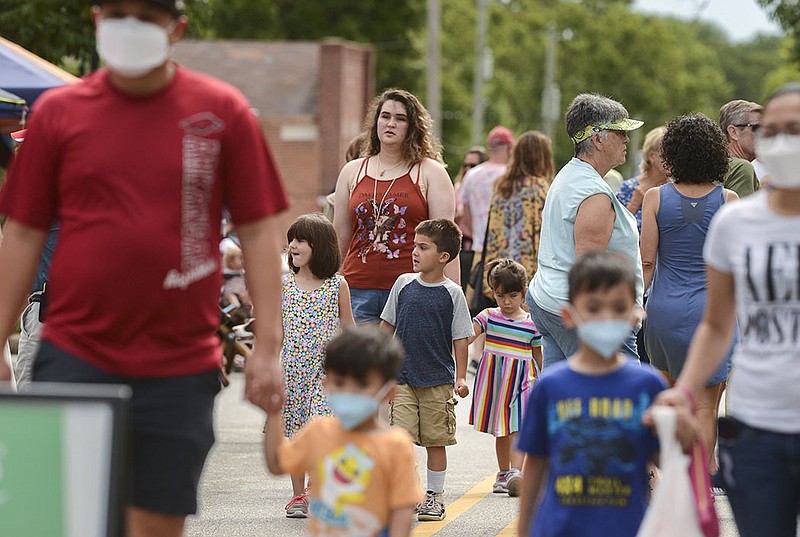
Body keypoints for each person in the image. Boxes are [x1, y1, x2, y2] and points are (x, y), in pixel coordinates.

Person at [0, 1, 288, 535]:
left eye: (146, 16)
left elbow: (258, 232)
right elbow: (21, 232)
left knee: (154, 525)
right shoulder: (59, 114)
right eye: (117, 12)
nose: (129, 25)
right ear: (96, 19)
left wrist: (269, 349)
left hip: (177, 365)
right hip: (75, 354)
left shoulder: (223, 111)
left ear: (176, 28)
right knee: (64, 521)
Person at [647, 82, 800, 537]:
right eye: (771, 130)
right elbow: (717, 322)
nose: (782, 141)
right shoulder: (735, 220)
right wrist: (684, 389)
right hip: (756, 424)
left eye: (795, 129)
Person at [517, 251, 668, 537]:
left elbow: (664, 460)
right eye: (594, 307)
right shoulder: (550, 386)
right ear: (569, 314)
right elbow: (535, 463)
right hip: (559, 528)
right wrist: (524, 530)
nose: (606, 318)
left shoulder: (648, 385)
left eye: (618, 307)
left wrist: (678, 432)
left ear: (636, 314)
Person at [640, 113, 738, 479]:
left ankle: (667, 477)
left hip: (663, 311)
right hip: (711, 314)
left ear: (673, 154)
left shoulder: (654, 198)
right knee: (706, 406)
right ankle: (699, 479)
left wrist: (637, 304)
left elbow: (646, 262)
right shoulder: (728, 199)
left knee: (666, 400)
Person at [264, 325, 422, 537]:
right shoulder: (318, 432)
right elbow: (277, 464)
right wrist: (274, 412)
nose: (349, 392)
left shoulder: (396, 445)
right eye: (339, 382)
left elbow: (402, 508)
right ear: (326, 384)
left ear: (389, 392)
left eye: (362, 384)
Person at [526, 93, 644, 369]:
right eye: (620, 132)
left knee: (563, 399)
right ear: (599, 138)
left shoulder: (572, 175)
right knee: (620, 399)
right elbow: (589, 265)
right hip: (580, 310)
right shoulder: (592, 191)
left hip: (551, 298)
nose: (626, 139)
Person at [333, 89, 456, 324]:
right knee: (361, 361)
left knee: (406, 361)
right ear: (375, 122)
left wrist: (453, 298)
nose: (391, 123)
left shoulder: (431, 172)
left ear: (413, 127)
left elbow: (447, 242)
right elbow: (339, 237)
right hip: (357, 290)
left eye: (400, 119)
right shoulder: (352, 171)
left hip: (412, 291)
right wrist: (326, 285)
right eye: (385, 116)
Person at [379, 218, 473, 522]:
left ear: (443, 256)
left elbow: (461, 337)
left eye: (423, 247)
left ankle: (434, 496)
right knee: (400, 439)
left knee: (435, 441)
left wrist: (460, 376)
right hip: (402, 378)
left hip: (438, 381)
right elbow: (386, 326)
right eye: (414, 246)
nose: (414, 252)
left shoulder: (453, 292)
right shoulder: (403, 284)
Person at [279, 213, 356, 517]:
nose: (292, 246)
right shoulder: (285, 285)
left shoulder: (337, 285)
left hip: (326, 374)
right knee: (297, 434)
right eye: (291, 240)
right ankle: (298, 495)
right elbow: (276, 331)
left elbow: (348, 327)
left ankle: (315, 487)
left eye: (300, 240)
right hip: (291, 373)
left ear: (320, 246)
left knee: (321, 429)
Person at [467, 258, 542, 498]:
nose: (507, 302)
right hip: (497, 381)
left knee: (518, 426)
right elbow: (466, 336)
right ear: (493, 294)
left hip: (523, 381)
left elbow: (539, 357)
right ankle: (503, 471)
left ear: (523, 293)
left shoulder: (532, 324)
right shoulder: (488, 316)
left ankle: (516, 472)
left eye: (512, 295)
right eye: (500, 296)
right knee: (502, 429)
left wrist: (544, 382)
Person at [480, 130, 552, 304]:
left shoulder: (501, 186)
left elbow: (492, 232)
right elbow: (544, 233)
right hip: (527, 272)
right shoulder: (539, 188)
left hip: (499, 268)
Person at [460, 127, 515, 306]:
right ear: (510, 148)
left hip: (478, 250)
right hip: (506, 252)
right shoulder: (511, 176)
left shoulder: (472, 175)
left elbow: (465, 214)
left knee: (476, 309)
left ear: (489, 147)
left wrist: (477, 232)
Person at [615, 126, 668, 232]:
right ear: (650, 156)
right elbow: (615, 228)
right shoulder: (629, 188)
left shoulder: (678, 189)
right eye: (666, 154)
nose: (672, 159)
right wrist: (634, 203)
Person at [719, 99, 762, 198]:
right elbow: (744, 213)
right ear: (733, 132)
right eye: (757, 128)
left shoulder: (711, 165)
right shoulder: (742, 168)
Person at [453, 145, 488, 251]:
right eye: (465, 165)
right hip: (463, 242)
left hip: (482, 240)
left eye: (472, 166)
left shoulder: (486, 189)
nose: (468, 169)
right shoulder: (458, 187)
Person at [220, 245, 252, 318]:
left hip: (239, 292)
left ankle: (245, 314)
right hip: (229, 293)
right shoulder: (227, 272)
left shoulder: (241, 273)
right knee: (233, 299)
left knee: (246, 300)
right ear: (231, 262)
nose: (243, 261)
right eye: (240, 258)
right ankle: (233, 310)